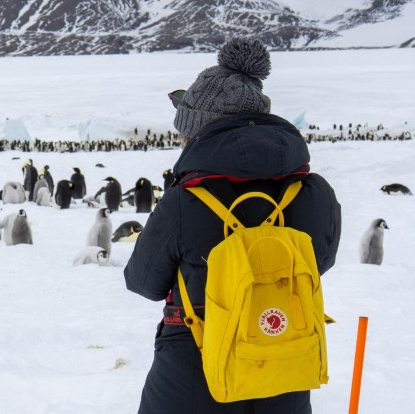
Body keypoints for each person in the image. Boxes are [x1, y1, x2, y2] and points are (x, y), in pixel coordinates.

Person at [124, 38, 341, 413]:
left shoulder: (186, 198)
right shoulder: (312, 191)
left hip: (197, 363)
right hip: (284, 352)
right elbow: (318, 262)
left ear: (199, 131)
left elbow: (143, 282)